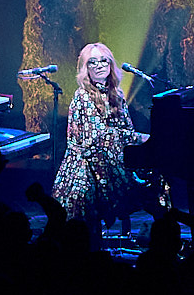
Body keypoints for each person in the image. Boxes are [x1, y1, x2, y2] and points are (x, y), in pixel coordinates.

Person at [50, 42, 149, 231]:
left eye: (104, 61)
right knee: (85, 194)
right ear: (85, 68)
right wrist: (140, 138)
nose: (99, 65)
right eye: (92, 62)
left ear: (111, 64)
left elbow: (126, 127)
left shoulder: (117, 94)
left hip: (111, 157)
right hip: (86, 160)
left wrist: (139, 141)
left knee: (156, 179)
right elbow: (97, 136)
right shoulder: (83, 96)